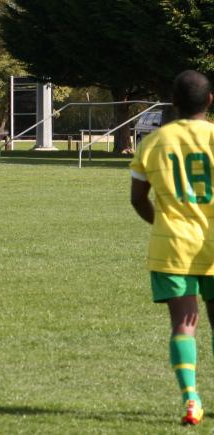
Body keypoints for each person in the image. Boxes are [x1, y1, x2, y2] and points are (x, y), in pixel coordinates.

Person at [130, 70, 214, 426]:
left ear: (174, 103)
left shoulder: (153, 142)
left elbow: (138, 199)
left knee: (183, 323)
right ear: (210, 101)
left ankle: (191, 400)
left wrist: (163, 224)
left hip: (171, 246)